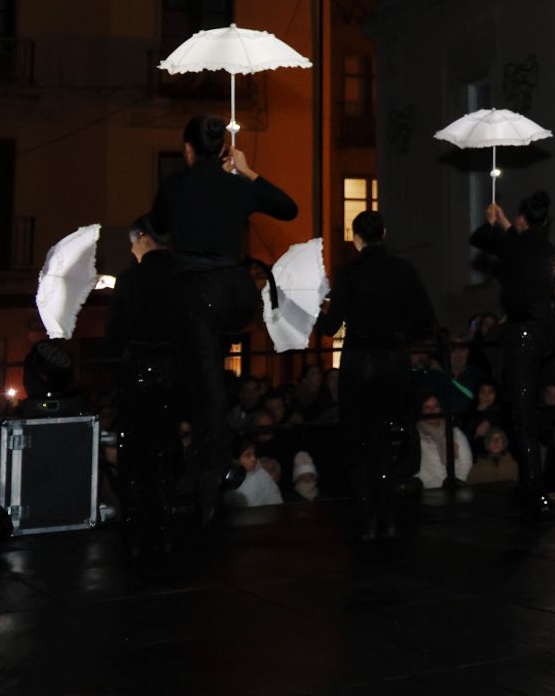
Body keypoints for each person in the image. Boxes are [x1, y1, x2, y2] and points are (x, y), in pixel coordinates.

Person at [149, 113, 299, 529]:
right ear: (224, 151)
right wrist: (248, 173)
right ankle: (212, 458)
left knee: (205, 388)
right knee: (209, 376)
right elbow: (288, 209)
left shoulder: (176, 184)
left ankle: (212, 474)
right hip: (237, 293)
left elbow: (157, 225)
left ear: (188, 151)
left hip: (199, 293)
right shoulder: (237, 183)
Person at [314, 207, 436, 540]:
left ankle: (368, 515)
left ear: (356, 240)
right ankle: (390, 515)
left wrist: (321, 309)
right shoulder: (404, 270)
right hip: (393, 362)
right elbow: (425, 317)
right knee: (387, 439)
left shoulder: (349, 274)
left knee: (358, 441)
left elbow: (330, 327)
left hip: (358, 362)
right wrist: (398, 335)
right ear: (384, 234)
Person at [469, 190, 555, 517]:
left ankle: (534, 486)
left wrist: (492, 221)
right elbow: (519, 245)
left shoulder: (514, 245)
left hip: (521, 336)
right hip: (541, 336)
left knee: (522, 414)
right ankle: (531, 480)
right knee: (526, 409)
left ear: (523, 219)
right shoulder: (548, 249)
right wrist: (507, 224)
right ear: (546, 221)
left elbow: (479, 239)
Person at [107, 213, 182, 564]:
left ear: (141, 238)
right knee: (164, 451)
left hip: (136, 371)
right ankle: (167, 531)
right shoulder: (180, 277)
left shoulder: (129, 280)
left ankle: (136, 534)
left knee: (134, 454)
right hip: (170, 370)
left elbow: (114, 333)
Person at [414, 393, 472, 489]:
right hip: (432, 493)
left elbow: (466, 461)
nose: (432, 410)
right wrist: (440, 487)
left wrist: (456, 483)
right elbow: (418, 471)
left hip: (459, 488)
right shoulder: (416, 437)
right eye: (427, 407)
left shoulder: (455, 432)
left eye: (435, 406)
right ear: (421, 410)